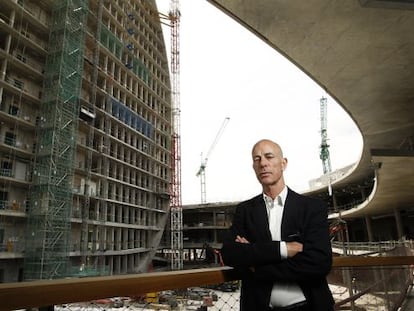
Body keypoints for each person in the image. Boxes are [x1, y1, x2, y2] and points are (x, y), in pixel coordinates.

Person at [220, 139, 334, 311]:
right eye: (257, 159)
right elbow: (230, 253)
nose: (263, 163)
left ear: (283, 163)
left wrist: (255, 264)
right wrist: (284, 249)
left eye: (269, 156)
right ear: (253, 167)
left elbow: (319, 263)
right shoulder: (245, 210)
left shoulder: (311, 208)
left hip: (309, 306)